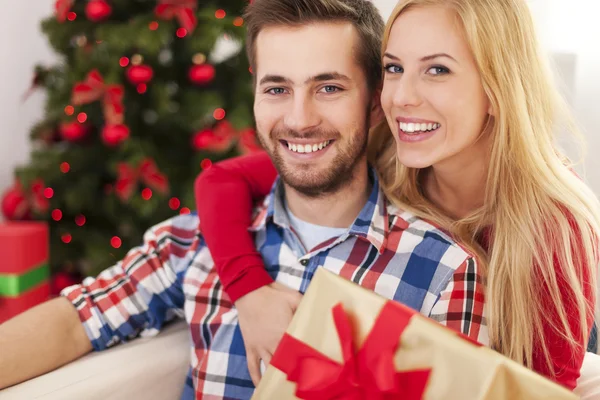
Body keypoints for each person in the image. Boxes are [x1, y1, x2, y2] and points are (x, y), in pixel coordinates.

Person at [0, 0, 488, 398]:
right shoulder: (190, 243)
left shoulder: (443, 270)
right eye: (277, 88)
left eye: (329, 87)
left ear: (375, 101)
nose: (299, 119)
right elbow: (74, 321)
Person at [194, 0, 600, 391]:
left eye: (437, 70)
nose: (401, 96)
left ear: (497, 88)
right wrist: (249, 292)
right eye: (394, 68)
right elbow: (220, 182)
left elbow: (543, 389)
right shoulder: (386, 150)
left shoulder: (556, 228)